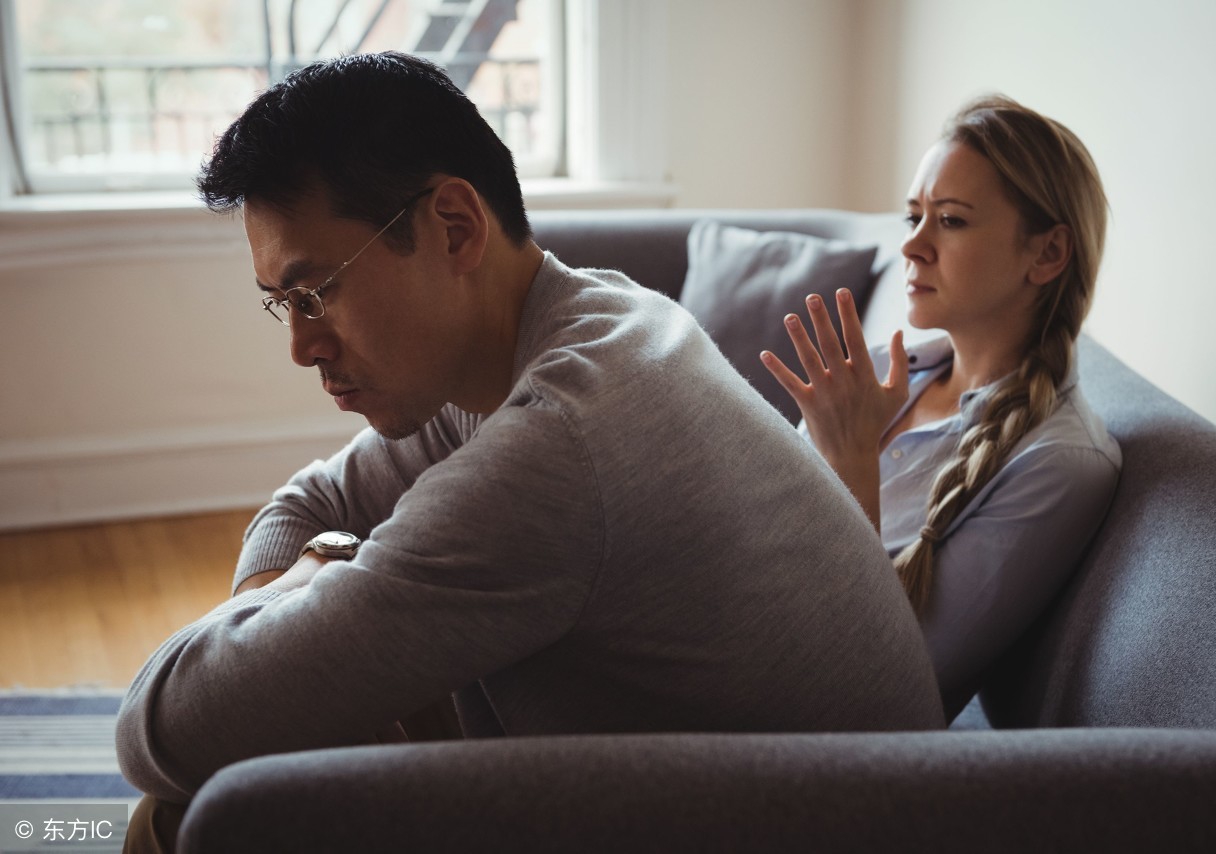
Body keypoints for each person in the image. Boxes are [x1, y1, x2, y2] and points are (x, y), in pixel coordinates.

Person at [116, 52, 943, 850]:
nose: (301, 346)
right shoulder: (594, 320)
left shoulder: (561, 444)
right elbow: (312, 505)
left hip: (819, 821)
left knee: (186, 812)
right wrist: (302, 581)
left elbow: (157, 727)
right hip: (778, 792)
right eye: (282, 304)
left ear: (455, 226)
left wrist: (313, 580)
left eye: (317, 290)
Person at [761, 95, 1122, 722]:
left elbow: (883, 697)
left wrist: (851, 465)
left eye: (950, 221)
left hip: (780, 723)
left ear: (1047, 254)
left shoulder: (1059, 464)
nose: (913, 248)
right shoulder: (876, 372)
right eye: (913, 218)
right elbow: (757, 534)